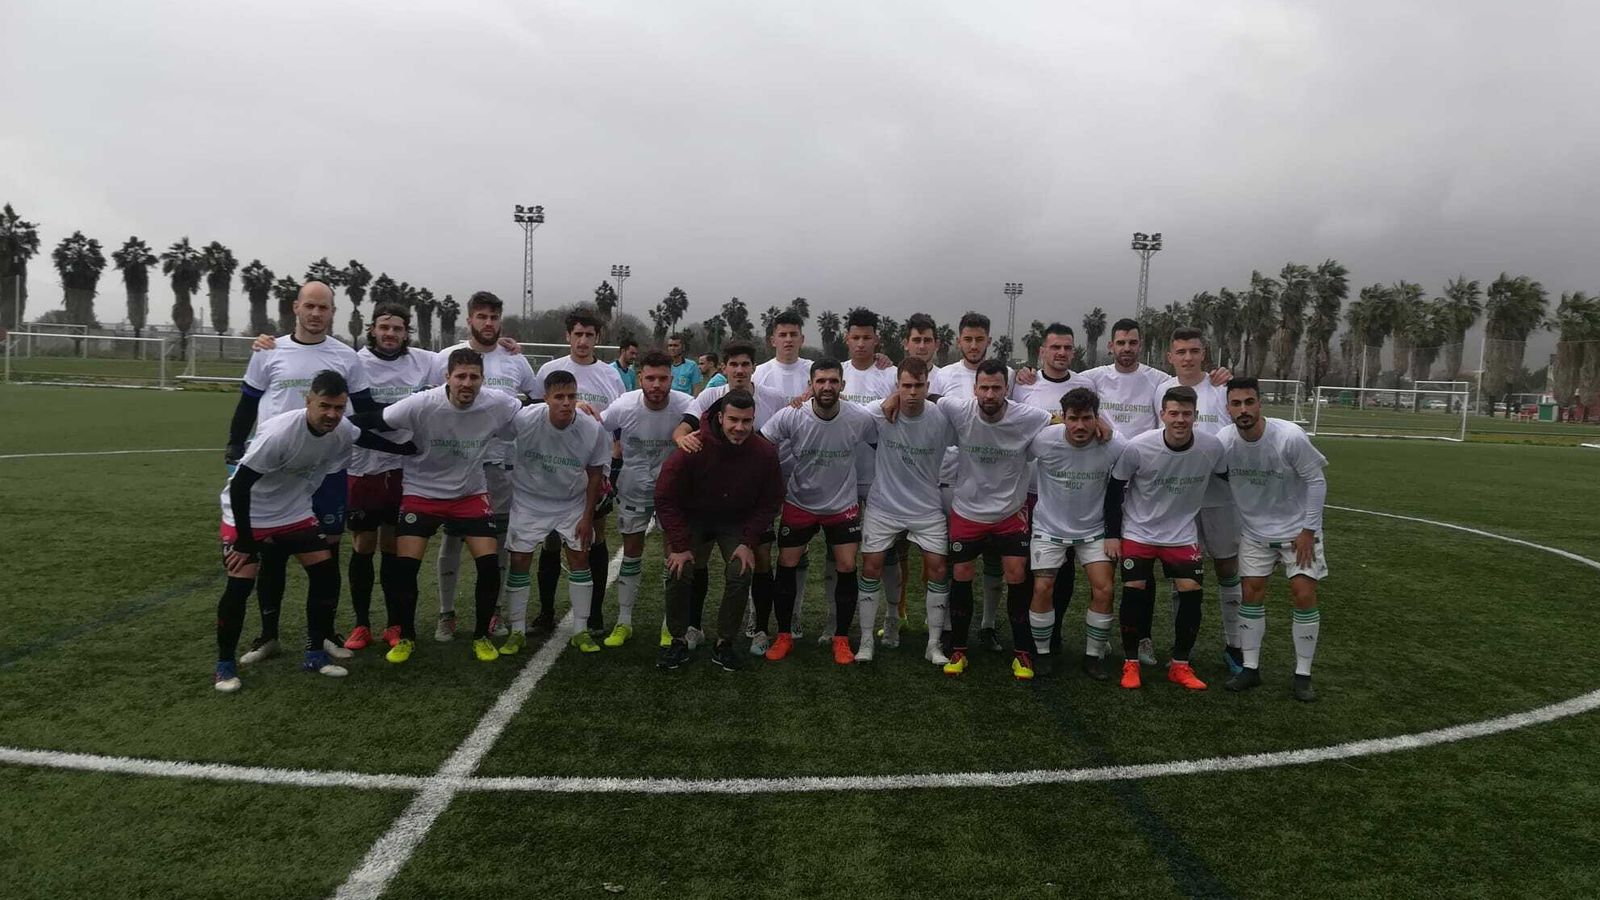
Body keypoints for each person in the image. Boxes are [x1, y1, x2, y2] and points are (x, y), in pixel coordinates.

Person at [215, 370, 414, 691]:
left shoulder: (341, 427)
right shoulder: (280, 434)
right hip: (250, 515)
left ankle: (315, 653)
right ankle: (224, 665)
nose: (332, 414)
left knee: (325, 574)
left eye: (339, 407)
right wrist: (246, 543)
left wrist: (408, 450)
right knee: (240, 585)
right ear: (308, 401)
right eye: (324, 406)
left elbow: (364, 438)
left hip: (294, 513)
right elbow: (239, 486)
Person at [225, 281, 374, 666]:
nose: (316, 313)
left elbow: (365, 410)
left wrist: (406, 434)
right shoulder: (269, 350)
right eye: (310, 306)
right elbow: (247, 403)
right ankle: (268, 635)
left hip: (326, 468)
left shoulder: (346, 356)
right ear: (296, 307)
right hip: (276, 469)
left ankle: (323, 634)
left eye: (323, 308)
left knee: (326, 554)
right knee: (272, 555)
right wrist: (234, 448)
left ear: (333, 313)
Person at [362, 347, 524, 664]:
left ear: (483, 379)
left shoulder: (497, 403)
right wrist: (325, 421)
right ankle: (407, 637)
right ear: (446, 377)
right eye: (460, 376)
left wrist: (576, 407)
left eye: (474, 377)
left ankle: (481, 636)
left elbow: (532, 414)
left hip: (469, 494)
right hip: (421, 494)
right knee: (405, 568)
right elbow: (375, 421)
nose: (467, 383)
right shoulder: (422, 404)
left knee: (489, 565)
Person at [930, 360, 1052, 680]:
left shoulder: (1028, 416)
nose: (989, 394)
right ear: (974, 389)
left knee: (1016, 574)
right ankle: (959, 649)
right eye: (983, 387)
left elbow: (1058, 420)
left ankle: (1022, 653)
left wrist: (1098, 424)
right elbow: (928, 398)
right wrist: (892, 400)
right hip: (967, 510)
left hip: (1010, 512)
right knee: (962, 573)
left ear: (1006, 389)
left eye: (996, 388)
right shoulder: (959, 409)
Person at [1104, 385, 1229, 692]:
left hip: (1181, 533)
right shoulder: (1139, 446)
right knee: (1134, 588)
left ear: (1195, 415)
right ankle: (1131, 663)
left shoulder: (1211, 447)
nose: (1180, 420)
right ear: (1162, 414)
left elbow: (1230, 477)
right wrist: (1113, 535)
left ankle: (1180, 665)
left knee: (1191, 591)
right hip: (1139, 531)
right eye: (1173, 413)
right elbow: (1114, 488)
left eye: (1186, 414)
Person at [671, 341, 794, 652]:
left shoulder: (774, 398)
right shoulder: (710, 396)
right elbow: (683, 429)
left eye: (745, 364)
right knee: (698, 559)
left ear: (754, 367)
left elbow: (794, 424)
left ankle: (759, 628)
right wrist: (683, 441)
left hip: (753, 497)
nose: (739, 370)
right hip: (710, 498)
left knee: (760, 558)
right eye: (733, 364)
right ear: (724, 367)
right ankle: (694, 626)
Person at [431, 291, 538, 642]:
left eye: (493, 317)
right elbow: (430, 403)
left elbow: (534, 402)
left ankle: (494, 612)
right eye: (481, 316)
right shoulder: (446, 357)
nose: (488, 323)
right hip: (458, 465)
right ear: (469, 320)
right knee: (453, 538)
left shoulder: (515, 360)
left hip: (502, 463)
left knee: (500, 538)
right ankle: (446, 615)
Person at [654, 389, 785, 671]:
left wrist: (748, 541)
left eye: (746, 421)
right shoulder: (694, 446)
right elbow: (664, 496)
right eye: (733, 420)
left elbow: (772, 500)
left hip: (735, 520)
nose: (739, 427)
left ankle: (724, 642)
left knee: (741, 570)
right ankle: (677, 639)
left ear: (754, 420)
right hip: (694, 517)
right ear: (721, 417)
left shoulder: (763, 452)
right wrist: (679, 544)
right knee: (678, 569)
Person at [760, 359, 877, 665]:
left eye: (833, 381)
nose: (827, 387)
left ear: (842, 385)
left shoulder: (859, 417)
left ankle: (841, 638)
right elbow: (762, 443)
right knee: (787, 564)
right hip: (800, 502)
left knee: (847, 566)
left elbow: (884, 441)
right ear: (810, 385)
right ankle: (784, 635)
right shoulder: (792, 415)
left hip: (842, 505)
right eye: (821, 381)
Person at [1220, 378, 1328, 702]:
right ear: (1227, 408)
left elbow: (1316, 481)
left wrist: (1308, 531)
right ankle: (1250, 669)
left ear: (1259, 403)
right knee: (1250, 595)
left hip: (1298, 533)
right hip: (1255, 533)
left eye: (1249, 402)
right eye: (1236, 404)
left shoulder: (1289, 437)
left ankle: (1303, 675)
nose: (1243, 410)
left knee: (1303, 593)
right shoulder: (1224, 442)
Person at [343, 302, 438, 652]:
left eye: (397, 328)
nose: (390, 334)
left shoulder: (423, 360)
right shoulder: (354, 363)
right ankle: (361, 624)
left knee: (394, 547)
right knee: (363, 545)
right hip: (363, 467)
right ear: (372, 329)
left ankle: (395, 623)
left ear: (405, 332)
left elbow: (468, 357)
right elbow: (352, 421)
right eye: (384, 327)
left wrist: (503, 345)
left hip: (404, 471)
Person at [530, 309, 626, 636]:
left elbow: (616, 421)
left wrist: (614, 447)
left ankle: (594, 613)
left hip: (594, 471)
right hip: (554, 469)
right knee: (551, 540)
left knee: (593, 537)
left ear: (598, 338)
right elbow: (533, 411)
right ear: (567, 336)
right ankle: (545, 612)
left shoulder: (611, 375)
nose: (583, 341)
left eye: (589, 335)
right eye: (578, 334)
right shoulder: (549, 370)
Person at [501, 370, 611, 655]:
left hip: (570, 501)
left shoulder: (591, 428)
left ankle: (580, 630)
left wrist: (588, 516)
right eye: (559, 397)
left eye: (572, 396)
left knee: (580, 557)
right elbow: (496, 429)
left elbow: (595, 472)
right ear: (546, 398)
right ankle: (516, 631)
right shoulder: (525, 419)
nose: (566, 402)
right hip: (528, 500)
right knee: (519, 560)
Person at [1157, 326, 1245, 673]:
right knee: (1182, 572)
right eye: (1181, 352)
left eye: (1194, 351)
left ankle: (1234, 644)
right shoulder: (1161, 389)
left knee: (1227, 568)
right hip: (1180, 496)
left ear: (1203, 354)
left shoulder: (1222, 387)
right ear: (1171, 357)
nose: (1188, 357)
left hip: (1220, 497)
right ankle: (1183, 648)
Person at [859, 357, 954, 666]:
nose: (912, 392)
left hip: (926, 507)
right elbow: (843, 415)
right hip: (884, 505)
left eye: (918, 386)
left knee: (938, 568)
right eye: (906, 386)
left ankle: (934, 644)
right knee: (871, 566)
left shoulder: (942, 417)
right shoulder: (878, 412)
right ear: (897, 385)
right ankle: (868, 639)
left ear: (928, 385)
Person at [1025, 387, 1124, 680]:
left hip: (1093, 530)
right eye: (1073, 418)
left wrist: (1114, 531)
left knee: (1104, 589)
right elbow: (1014, 452)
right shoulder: (1044, 440)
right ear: (1063, 417)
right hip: (1049, 528)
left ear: (1097, 418)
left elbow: (1134, 469)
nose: (1080, 425)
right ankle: (1042, 654)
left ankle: (1093, 656)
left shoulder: (1114, 444)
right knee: (1042, 588)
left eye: (1087, 418)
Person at [599, 350, 694, 647]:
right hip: (633, 488)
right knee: (631, 553)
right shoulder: (623, 405)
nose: (656, 385)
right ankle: (624, 622)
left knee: (673, 556)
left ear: (672, 379)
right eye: (650, 378)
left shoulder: (686, 405)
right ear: (640, 377)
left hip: (673, 493)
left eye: (663, 378)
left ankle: (669, 625)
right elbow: (595, 429)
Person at [931, 311, 1013, 653]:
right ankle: (950, 625)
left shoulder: (1008, 374)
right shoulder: (944, 375)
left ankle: (988, 624)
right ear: (959, 340)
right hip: (952, 476)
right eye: (968, 339)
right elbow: (933, 413)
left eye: (980, 339)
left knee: (994, 558)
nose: (974, 345)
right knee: (954, 556)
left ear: (989, 341)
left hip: (994, 480)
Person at [827, 307, 900, 645]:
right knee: (836, 554)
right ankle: (833, 620)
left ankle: (892, 618)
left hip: (881, 476)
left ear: (876, 339)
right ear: (847, 338)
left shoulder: (891, 374)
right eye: (855, 337)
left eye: (866, 338)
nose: (860, 344)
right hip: (840, 477)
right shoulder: (835, 374)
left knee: (885, 552)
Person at [753, 309, 813, 399]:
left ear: (802, 339)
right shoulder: (759, 374)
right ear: (773, 341)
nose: (788, 340)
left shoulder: (814, 371)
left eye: (793, 334)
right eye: (783, 335)